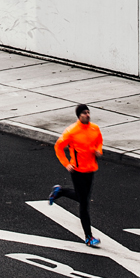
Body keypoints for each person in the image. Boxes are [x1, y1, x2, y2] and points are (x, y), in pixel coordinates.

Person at [48, 104, 102, 247]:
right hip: (77, 171)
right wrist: (66, 164)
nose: (87, 115)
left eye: (88, 112)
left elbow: (99, 142)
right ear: (79, 116)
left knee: (81, 197)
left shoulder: (95, 128)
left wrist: (98, 150)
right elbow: (58, 146)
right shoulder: (72, 132)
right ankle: (89, 237)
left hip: (90, 170)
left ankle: (61, 191)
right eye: (84, 113)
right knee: (84, 204)